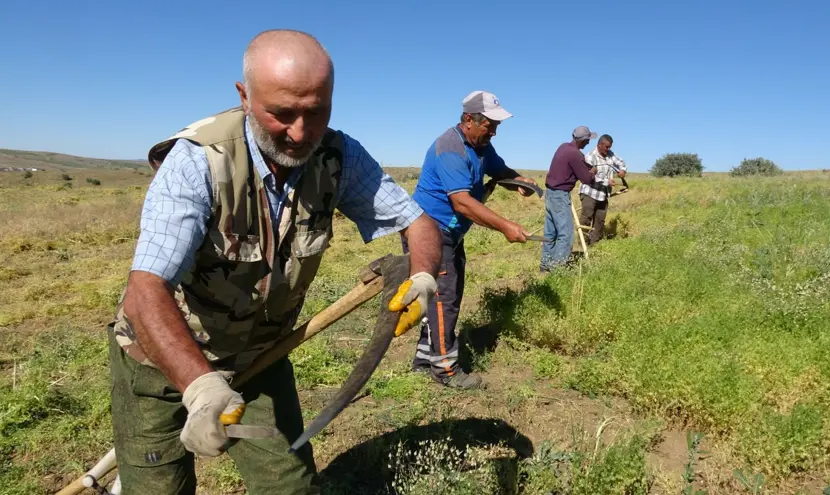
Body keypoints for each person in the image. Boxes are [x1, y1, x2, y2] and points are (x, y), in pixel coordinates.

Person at [107, 29, 442, 494]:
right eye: (281, 113)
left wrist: (423, 273)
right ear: (245, 97)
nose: (300, 132)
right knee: (157, 489)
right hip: (157, 358)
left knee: (292, 488)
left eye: (316, 111)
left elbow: (416, 221)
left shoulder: (338, 156)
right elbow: (146, 292)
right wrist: (200, 387)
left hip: (260, 355)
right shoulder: (197, 161)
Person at [405, 90, 539, 389]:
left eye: (496, 126)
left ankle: (424, 359)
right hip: (430, 232)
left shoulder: (481, 146)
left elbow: (499, 170)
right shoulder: (450, 148)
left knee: (437, 298)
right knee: (444, 299)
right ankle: (445, 370)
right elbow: (462, 203)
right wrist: (505, 226)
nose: (494, 131)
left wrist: (518, 180)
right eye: (489, 124)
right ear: (468, 119)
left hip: (450, 232)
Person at [539, 126, 598, 272]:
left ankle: (545, 265)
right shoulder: (575, 154)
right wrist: (593, 171)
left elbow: (574, 165)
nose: (588, 143)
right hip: (560, 195)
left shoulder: (563, 147)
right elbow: (585, 179)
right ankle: (557, 269)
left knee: (550, 232)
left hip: (550, 193)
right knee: (566, 234)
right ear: (583, 140)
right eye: (588, 140)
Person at [578, 134, 627, 245]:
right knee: (586, 218)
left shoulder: (610, 155)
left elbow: (621, 162)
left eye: (609, 147)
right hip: (589, 192)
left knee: (600, 220)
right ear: (599, 145)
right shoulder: (590, 156)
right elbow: (588, 176)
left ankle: (594, 244)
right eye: (606, 147)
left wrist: (622, 171)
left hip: (603, 194)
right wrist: (607, 182)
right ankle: (582, 244)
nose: (608, 149)